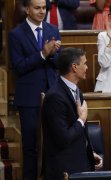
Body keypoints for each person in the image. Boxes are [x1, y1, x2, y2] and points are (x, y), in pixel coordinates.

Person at [8, 0, 61, 179]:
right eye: (37, 8)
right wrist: (43, 54)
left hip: (52, 95)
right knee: (30, 146)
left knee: (53, 144)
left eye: (44, 8)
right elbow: (19, 67)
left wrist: (53, 55)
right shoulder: (16, 34)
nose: (41, 11)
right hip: (29, 98)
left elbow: (58, 63)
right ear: (27, 9)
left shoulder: (53, 30)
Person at [42, 47, 103, 179]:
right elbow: (63, 138)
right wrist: (81, 120)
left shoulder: (76, 90)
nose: (87, 67)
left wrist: (88, 152)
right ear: (74, 67)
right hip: (64, 169)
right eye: (85, 63)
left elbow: (79, 134)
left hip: (79, 163)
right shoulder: (55, 97)